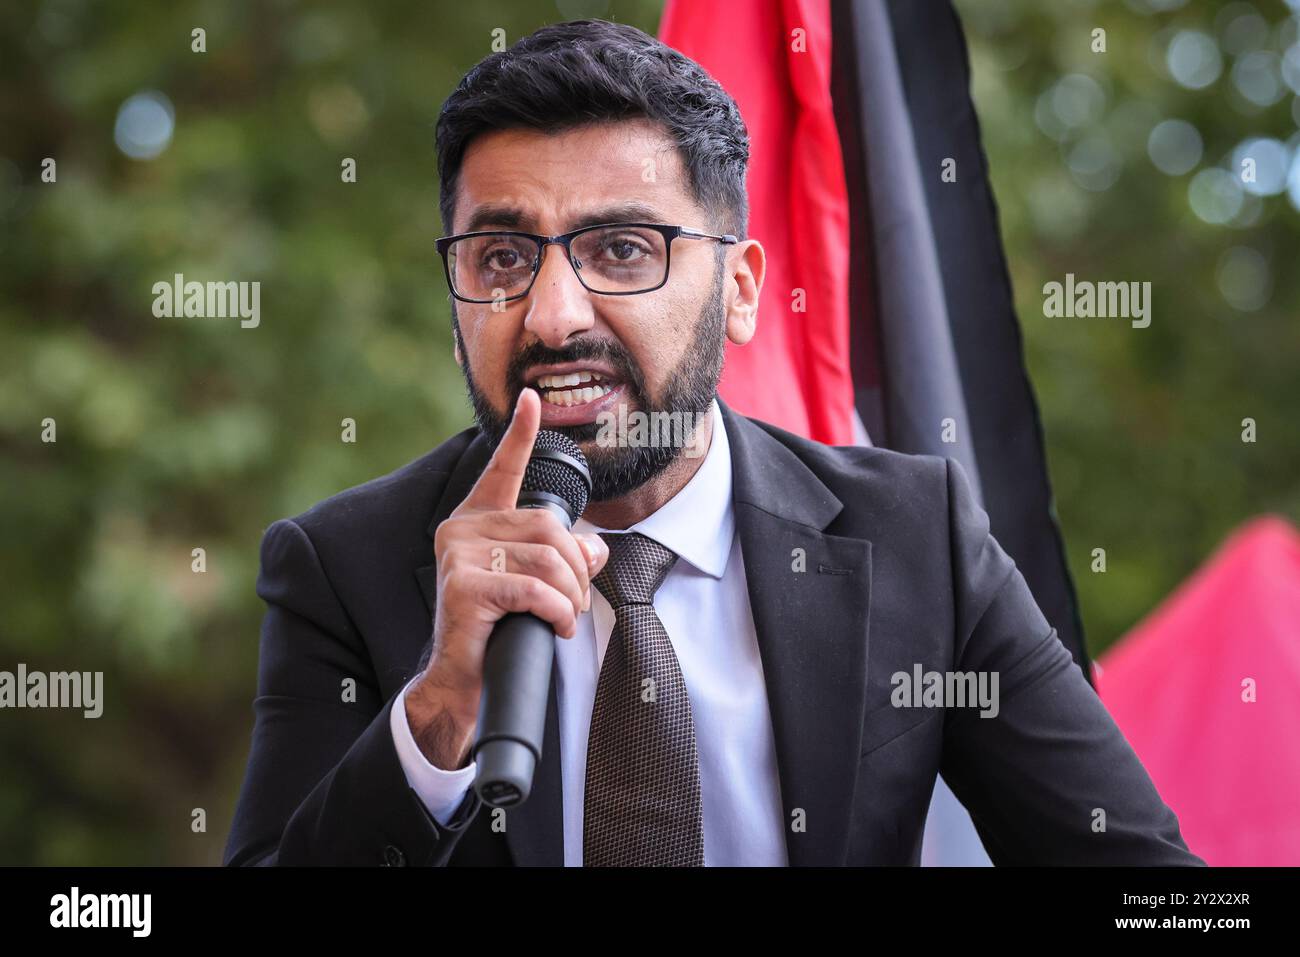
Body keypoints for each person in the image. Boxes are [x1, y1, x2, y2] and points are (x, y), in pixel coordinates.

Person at [223, 19, 1203, 867]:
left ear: (739, 291)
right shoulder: (345, 567)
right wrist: (437, 714)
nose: (553, 314)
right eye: (504, 258)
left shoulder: (918, 538)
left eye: (621, 250)